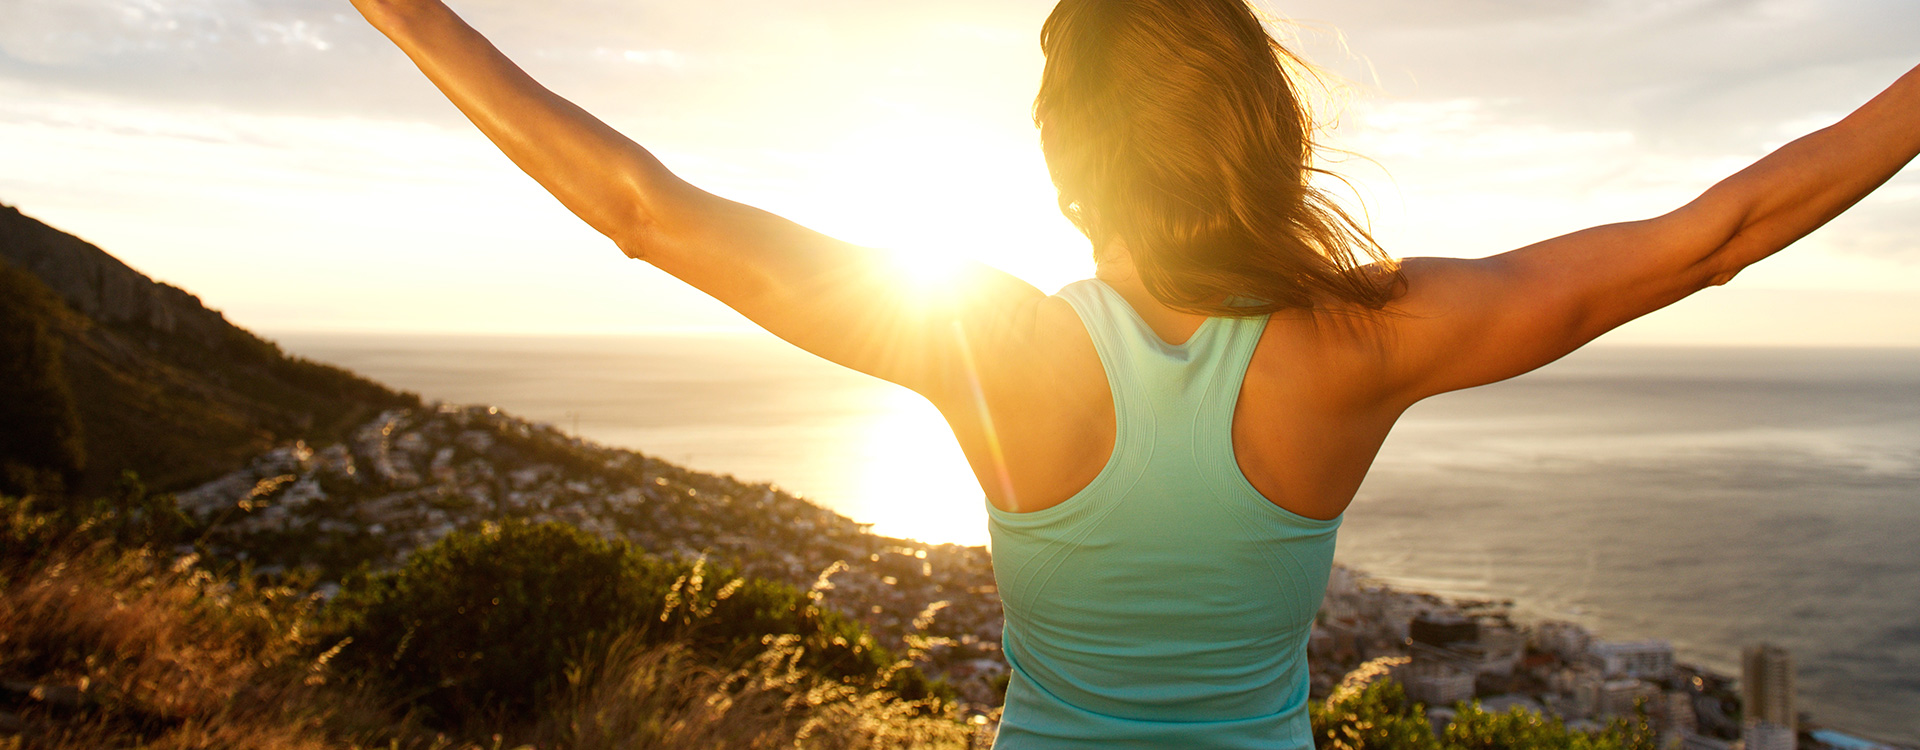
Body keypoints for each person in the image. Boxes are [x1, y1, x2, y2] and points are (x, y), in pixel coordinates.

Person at [347, 0, 1919, 746]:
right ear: (1269, 134)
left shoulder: (990, 342)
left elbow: (641, 213)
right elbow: (1718, 233)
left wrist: (406, 11)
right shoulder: (1360, 343)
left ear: (1064, 163)